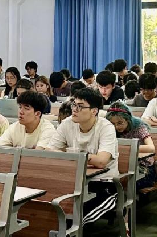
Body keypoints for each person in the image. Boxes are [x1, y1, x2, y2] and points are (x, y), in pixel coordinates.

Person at [47, 88, 119, 226]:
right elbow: (50, 152)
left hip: (102, 183)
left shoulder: (106, 127)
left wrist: (72, 155)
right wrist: (83, 157)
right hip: (73, 181)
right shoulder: (67, 123)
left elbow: (101, 161)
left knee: (74, 220)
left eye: (80, 106)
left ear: (94, 111)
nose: (74, 109)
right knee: (48, 212)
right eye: (74, 104)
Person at [106, 101, 157, 190]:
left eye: (120, 123)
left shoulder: (139, 127)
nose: (116, 127)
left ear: (128, 119)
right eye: (113, 124)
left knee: (117, 186)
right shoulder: (109, 129)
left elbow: (151, 148)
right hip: (120, 166)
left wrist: (128, 148)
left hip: (143, 168)